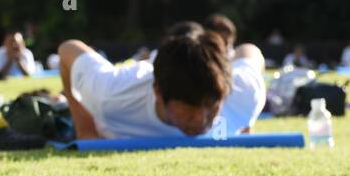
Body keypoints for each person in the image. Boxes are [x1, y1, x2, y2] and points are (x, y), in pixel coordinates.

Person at [59, 27, 265, 140]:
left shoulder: (243, 93)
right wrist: (86, 130)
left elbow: (250, 50)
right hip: (139, 78)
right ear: (158, 93)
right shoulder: (110, 94)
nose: (202, 119)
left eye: (211, 107)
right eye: (190, 109)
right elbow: (68, 49)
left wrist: (246, 126)